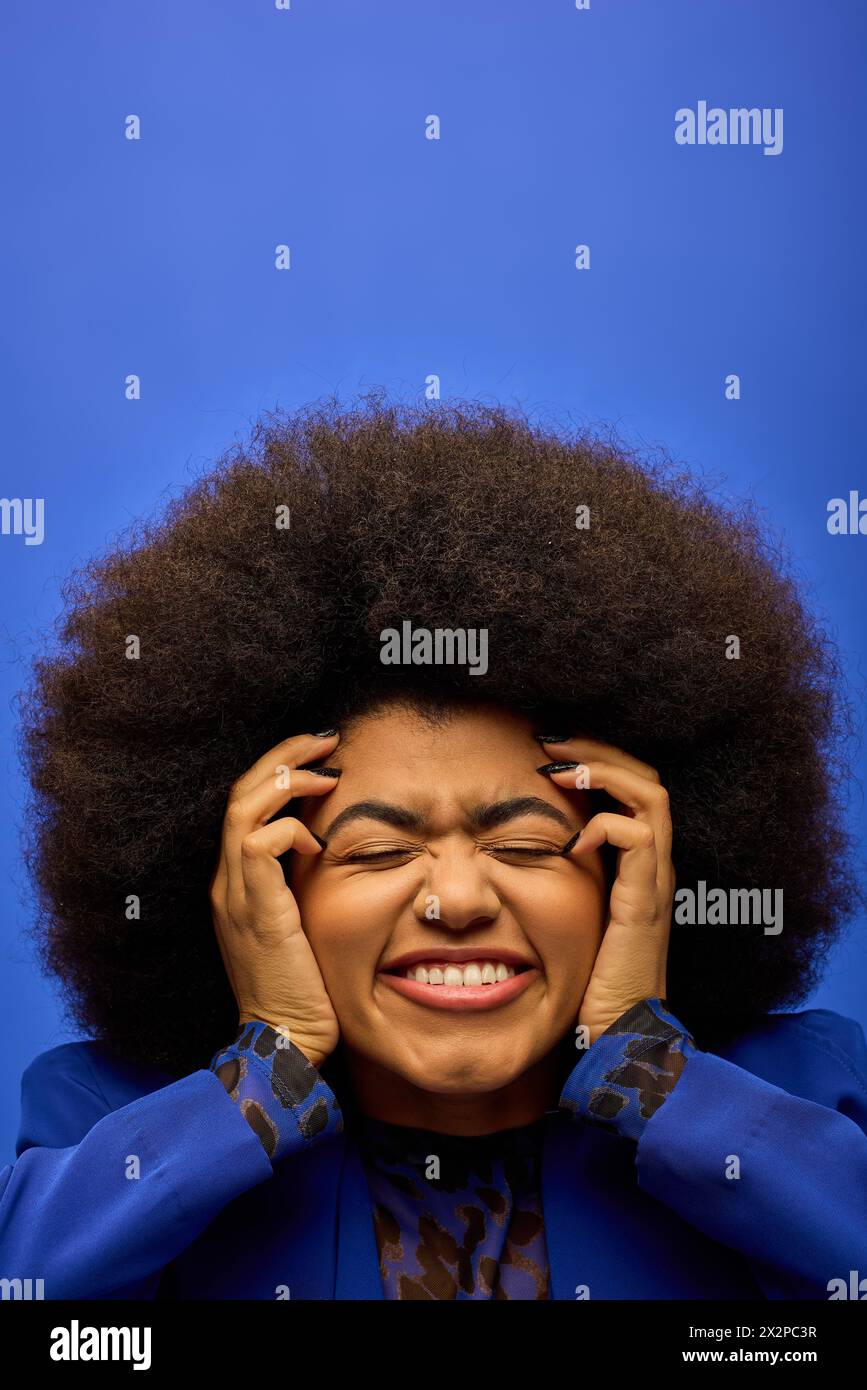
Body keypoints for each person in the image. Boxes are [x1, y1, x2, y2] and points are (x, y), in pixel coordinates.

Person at [2, 396, 866, 1300]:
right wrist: (267, 1068)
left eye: (530, 845)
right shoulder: (117, 1120)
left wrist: (650, 1072)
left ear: (627, 872)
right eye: (376, 854)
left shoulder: (793, 1101)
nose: (457, 901)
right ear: (259, 893)